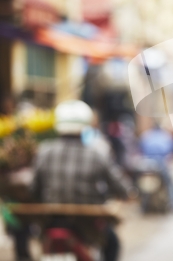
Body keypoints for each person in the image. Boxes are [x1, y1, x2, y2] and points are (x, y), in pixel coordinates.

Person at [32, 100, 131, 261]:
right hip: (88, 227)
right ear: (86, 125)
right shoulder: (97, 154)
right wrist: (127, 193)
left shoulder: (44, 152)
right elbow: (121, 186)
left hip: (50, 223)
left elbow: (33, 189)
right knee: (112, 244)